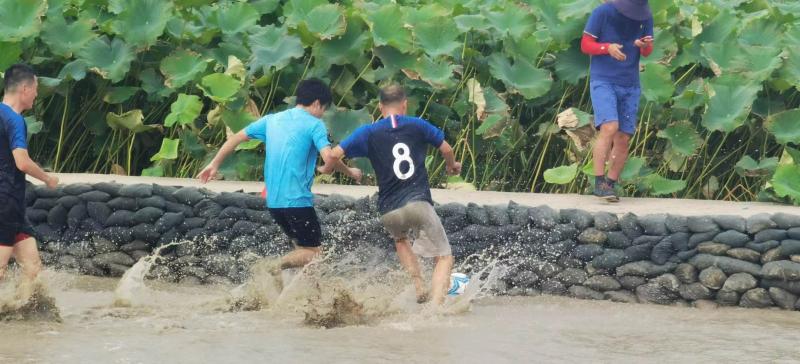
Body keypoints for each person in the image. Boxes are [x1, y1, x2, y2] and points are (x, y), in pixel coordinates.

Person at [197, 78, 360, 277]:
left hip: (274, 203)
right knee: (314, 253)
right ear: (317, 103)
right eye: (323, 109)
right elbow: (329, 156)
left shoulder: (272, 119)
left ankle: (298, 298)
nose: (323, 113)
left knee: (301, 250)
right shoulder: (315, 124)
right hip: (297, 202)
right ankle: (272, 266)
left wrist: (214, 164)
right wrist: (348, 171)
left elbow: (236, 137)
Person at [318, 85, 462, 305]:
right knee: (444, 256)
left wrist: (335, 170)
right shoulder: (417, 125)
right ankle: (435, 310)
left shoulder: (368, 131)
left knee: (401, 239)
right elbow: (446, 149)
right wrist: (452, 166)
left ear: (379, 106)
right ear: (405, 105)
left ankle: (419, 286)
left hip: (389, 211)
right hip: (418, 203)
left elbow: (333, 156)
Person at [581, 0, 654, 202]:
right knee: (609, 127)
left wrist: (644, 46)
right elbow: (585, 44)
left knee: (623, 137)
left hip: (630, 82)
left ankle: (610, 184)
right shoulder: (602, 12)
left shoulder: (645, 15)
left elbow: (648, 50)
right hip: (603, 79)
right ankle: (598, 181)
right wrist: (607, 48)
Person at [0, 64, 59, 283]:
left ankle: (22, 311)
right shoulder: (15, 120)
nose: (36, 93)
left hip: (13, 206)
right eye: (35, 88)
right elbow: (22, 162)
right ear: (25, 89)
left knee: (32, 268)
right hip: (5, 201)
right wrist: (47, 178)